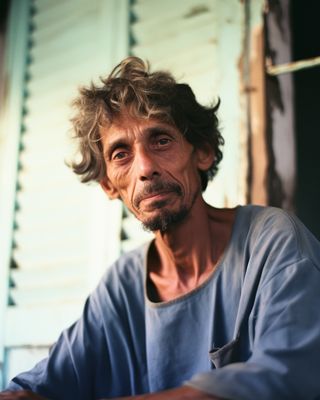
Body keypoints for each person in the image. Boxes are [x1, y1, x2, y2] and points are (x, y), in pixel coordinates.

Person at [1, 57, 320, 400]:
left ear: (203, 153)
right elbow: (39, 387)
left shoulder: (272, 241)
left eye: (161, 141)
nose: (146, 168)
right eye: (121, 154)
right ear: (109, 185)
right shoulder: (122, 284)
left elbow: (286, 380)